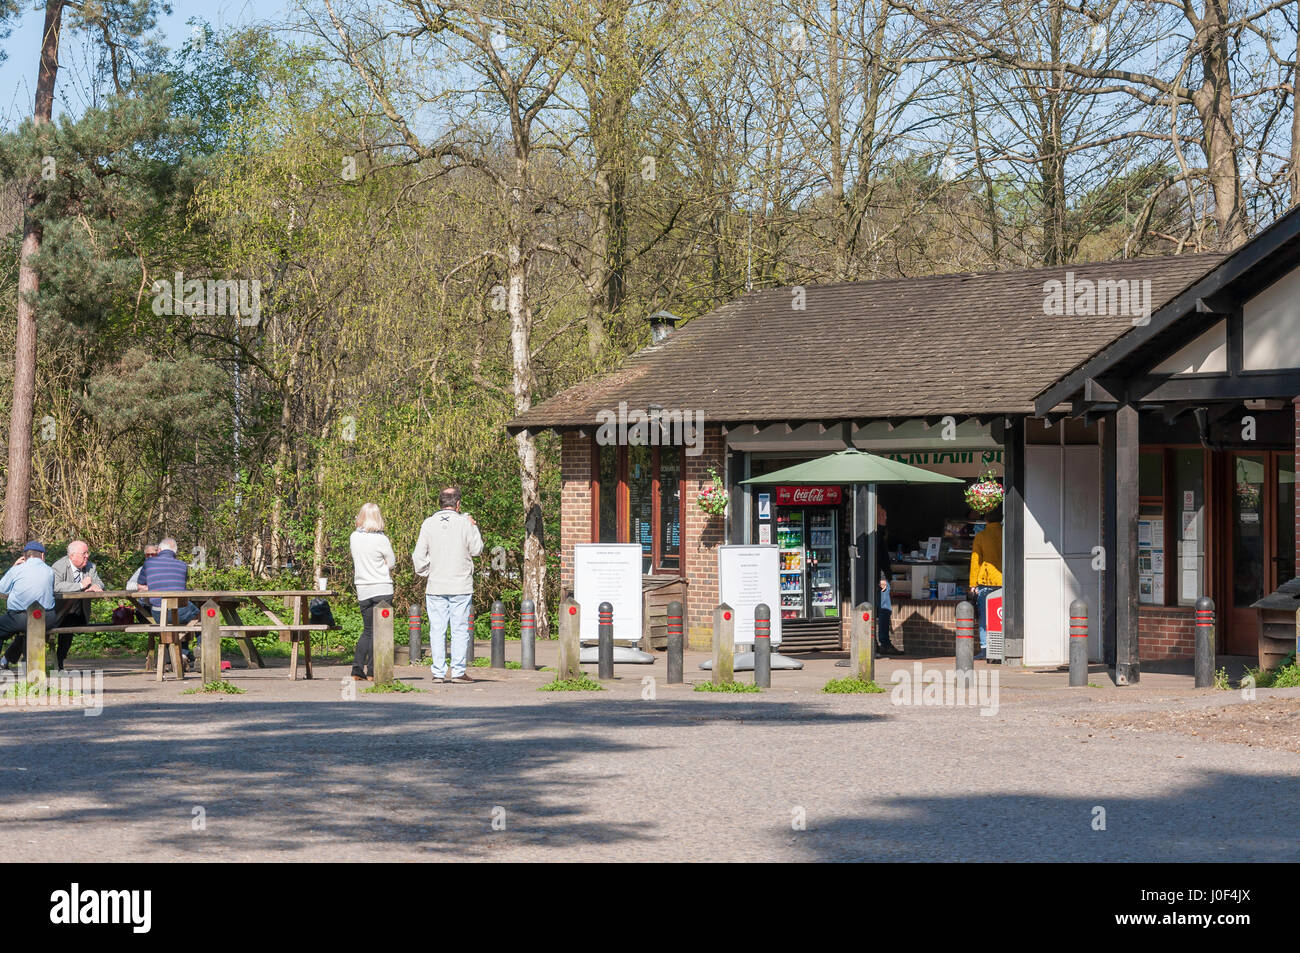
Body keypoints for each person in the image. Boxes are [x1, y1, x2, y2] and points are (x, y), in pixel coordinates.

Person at [412, 486, 483, 684]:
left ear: (440, 503)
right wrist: (473, 526)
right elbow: (477, 549)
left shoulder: (428, 523)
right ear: (458, 504)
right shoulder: (464, 523)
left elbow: (418, 556)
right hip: (460, 584)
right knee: (459, 629)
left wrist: (428, 572)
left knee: (437, 629)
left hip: (436, 585)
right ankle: (458, 671)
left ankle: (438, 672)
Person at [350, 503, 396, 682]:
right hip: (383, 588)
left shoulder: (354, 537)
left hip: (363, 589)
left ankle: (356, 669)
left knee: (368, 631)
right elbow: (391, 562)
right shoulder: (381, 539)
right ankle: (373, 672)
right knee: (381, 632)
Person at [138, 537, 198, 668]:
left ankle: (181, 656)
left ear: (159, 550)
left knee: (177, 624)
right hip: (180, 610)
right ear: (175, 552)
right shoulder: (182, 565)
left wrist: (153, 587)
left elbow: (140, 586)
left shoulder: (148, 564)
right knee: (200, 617)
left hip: (158, 613)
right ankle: (199, 652)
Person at [50, 540, 105, 671]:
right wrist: (80, 586)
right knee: (66, 625)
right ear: (72, 555)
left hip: (80, 611)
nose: (87, 556)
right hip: (59, 611)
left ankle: (59, 661)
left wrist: (96, 586)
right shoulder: (59, 566)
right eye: (84, 553)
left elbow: (99, 582)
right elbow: (56, 586)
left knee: (69, 626)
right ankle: (56, 662)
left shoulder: (90, 566)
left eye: (87, 553)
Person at [0, 542, 56, 671]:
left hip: (20, 618)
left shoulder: (17, 569)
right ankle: (24, 663)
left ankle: (17, 663)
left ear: (24, 556)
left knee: (20, 627)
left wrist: (14, 566)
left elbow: (2, 588)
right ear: (42, 555)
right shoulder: (49, 571)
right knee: (27, 630)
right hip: (46, 618)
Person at [969, 510, 1003, 661]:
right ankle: (1002, 647)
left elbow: (975, 561)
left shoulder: (981, 536)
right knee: (1001, 616)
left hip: (987, 581)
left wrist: (972, 583)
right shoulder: (1006, 533)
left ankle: (985, 649)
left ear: (986, 520)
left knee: (984, 617)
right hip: (1004, 580)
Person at [876, 502, 897, 655]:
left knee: (880, 609)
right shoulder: (877, 534)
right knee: (884, 609)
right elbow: (878, 558)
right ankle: (884, 642)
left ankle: (878, 642)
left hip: (879, 577)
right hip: (880, 578)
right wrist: (882, 577)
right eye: (882, 514)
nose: (886, 517)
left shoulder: (878, 533)